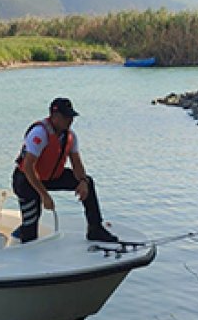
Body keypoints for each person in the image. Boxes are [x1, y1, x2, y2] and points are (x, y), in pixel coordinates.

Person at [11, 98, 118, 244]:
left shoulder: (70, 136)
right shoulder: (39, 134)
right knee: (31, 229)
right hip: (26, 180)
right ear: (54, 117)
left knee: (89, 182)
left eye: (71, 117)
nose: (70, 120)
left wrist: (82, 181)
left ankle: (95, 229)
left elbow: (77, 164)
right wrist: (44, 195)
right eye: (66, 117)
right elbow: (29, 168)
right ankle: (24, 236)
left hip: (51, 177)